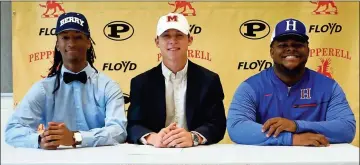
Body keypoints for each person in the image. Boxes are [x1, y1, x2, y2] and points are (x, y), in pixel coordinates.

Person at [5, 12, 127, 149]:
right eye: (65, 37)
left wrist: (76, 138)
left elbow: (118, 131)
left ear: (88, 43)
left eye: (78, 37)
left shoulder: (108, 87)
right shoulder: (43, 88)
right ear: (57, 44)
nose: (71, 43)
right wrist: (41, 140)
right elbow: (12, 130)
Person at [227, 18, 356, 146]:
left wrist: (296, 126)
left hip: (317, 163)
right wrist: (291, 139)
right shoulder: (251, 87)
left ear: (308, 50)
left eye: (298, 45)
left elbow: (346, 129)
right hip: (265, 164)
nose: (290, 49)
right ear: (272, 51)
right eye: (283, 45)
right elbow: (237, 127)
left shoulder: (328, 87)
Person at [127, 13, 226, 148]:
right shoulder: (141, 82)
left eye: (179, 35)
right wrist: (153, 137)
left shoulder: (209, 80)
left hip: (196, 154)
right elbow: (133, 125)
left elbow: (217, 124)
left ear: (190, 40)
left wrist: (193, 137)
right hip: (154, 155)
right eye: (166, 35)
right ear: (157, 41)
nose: (172, 41)